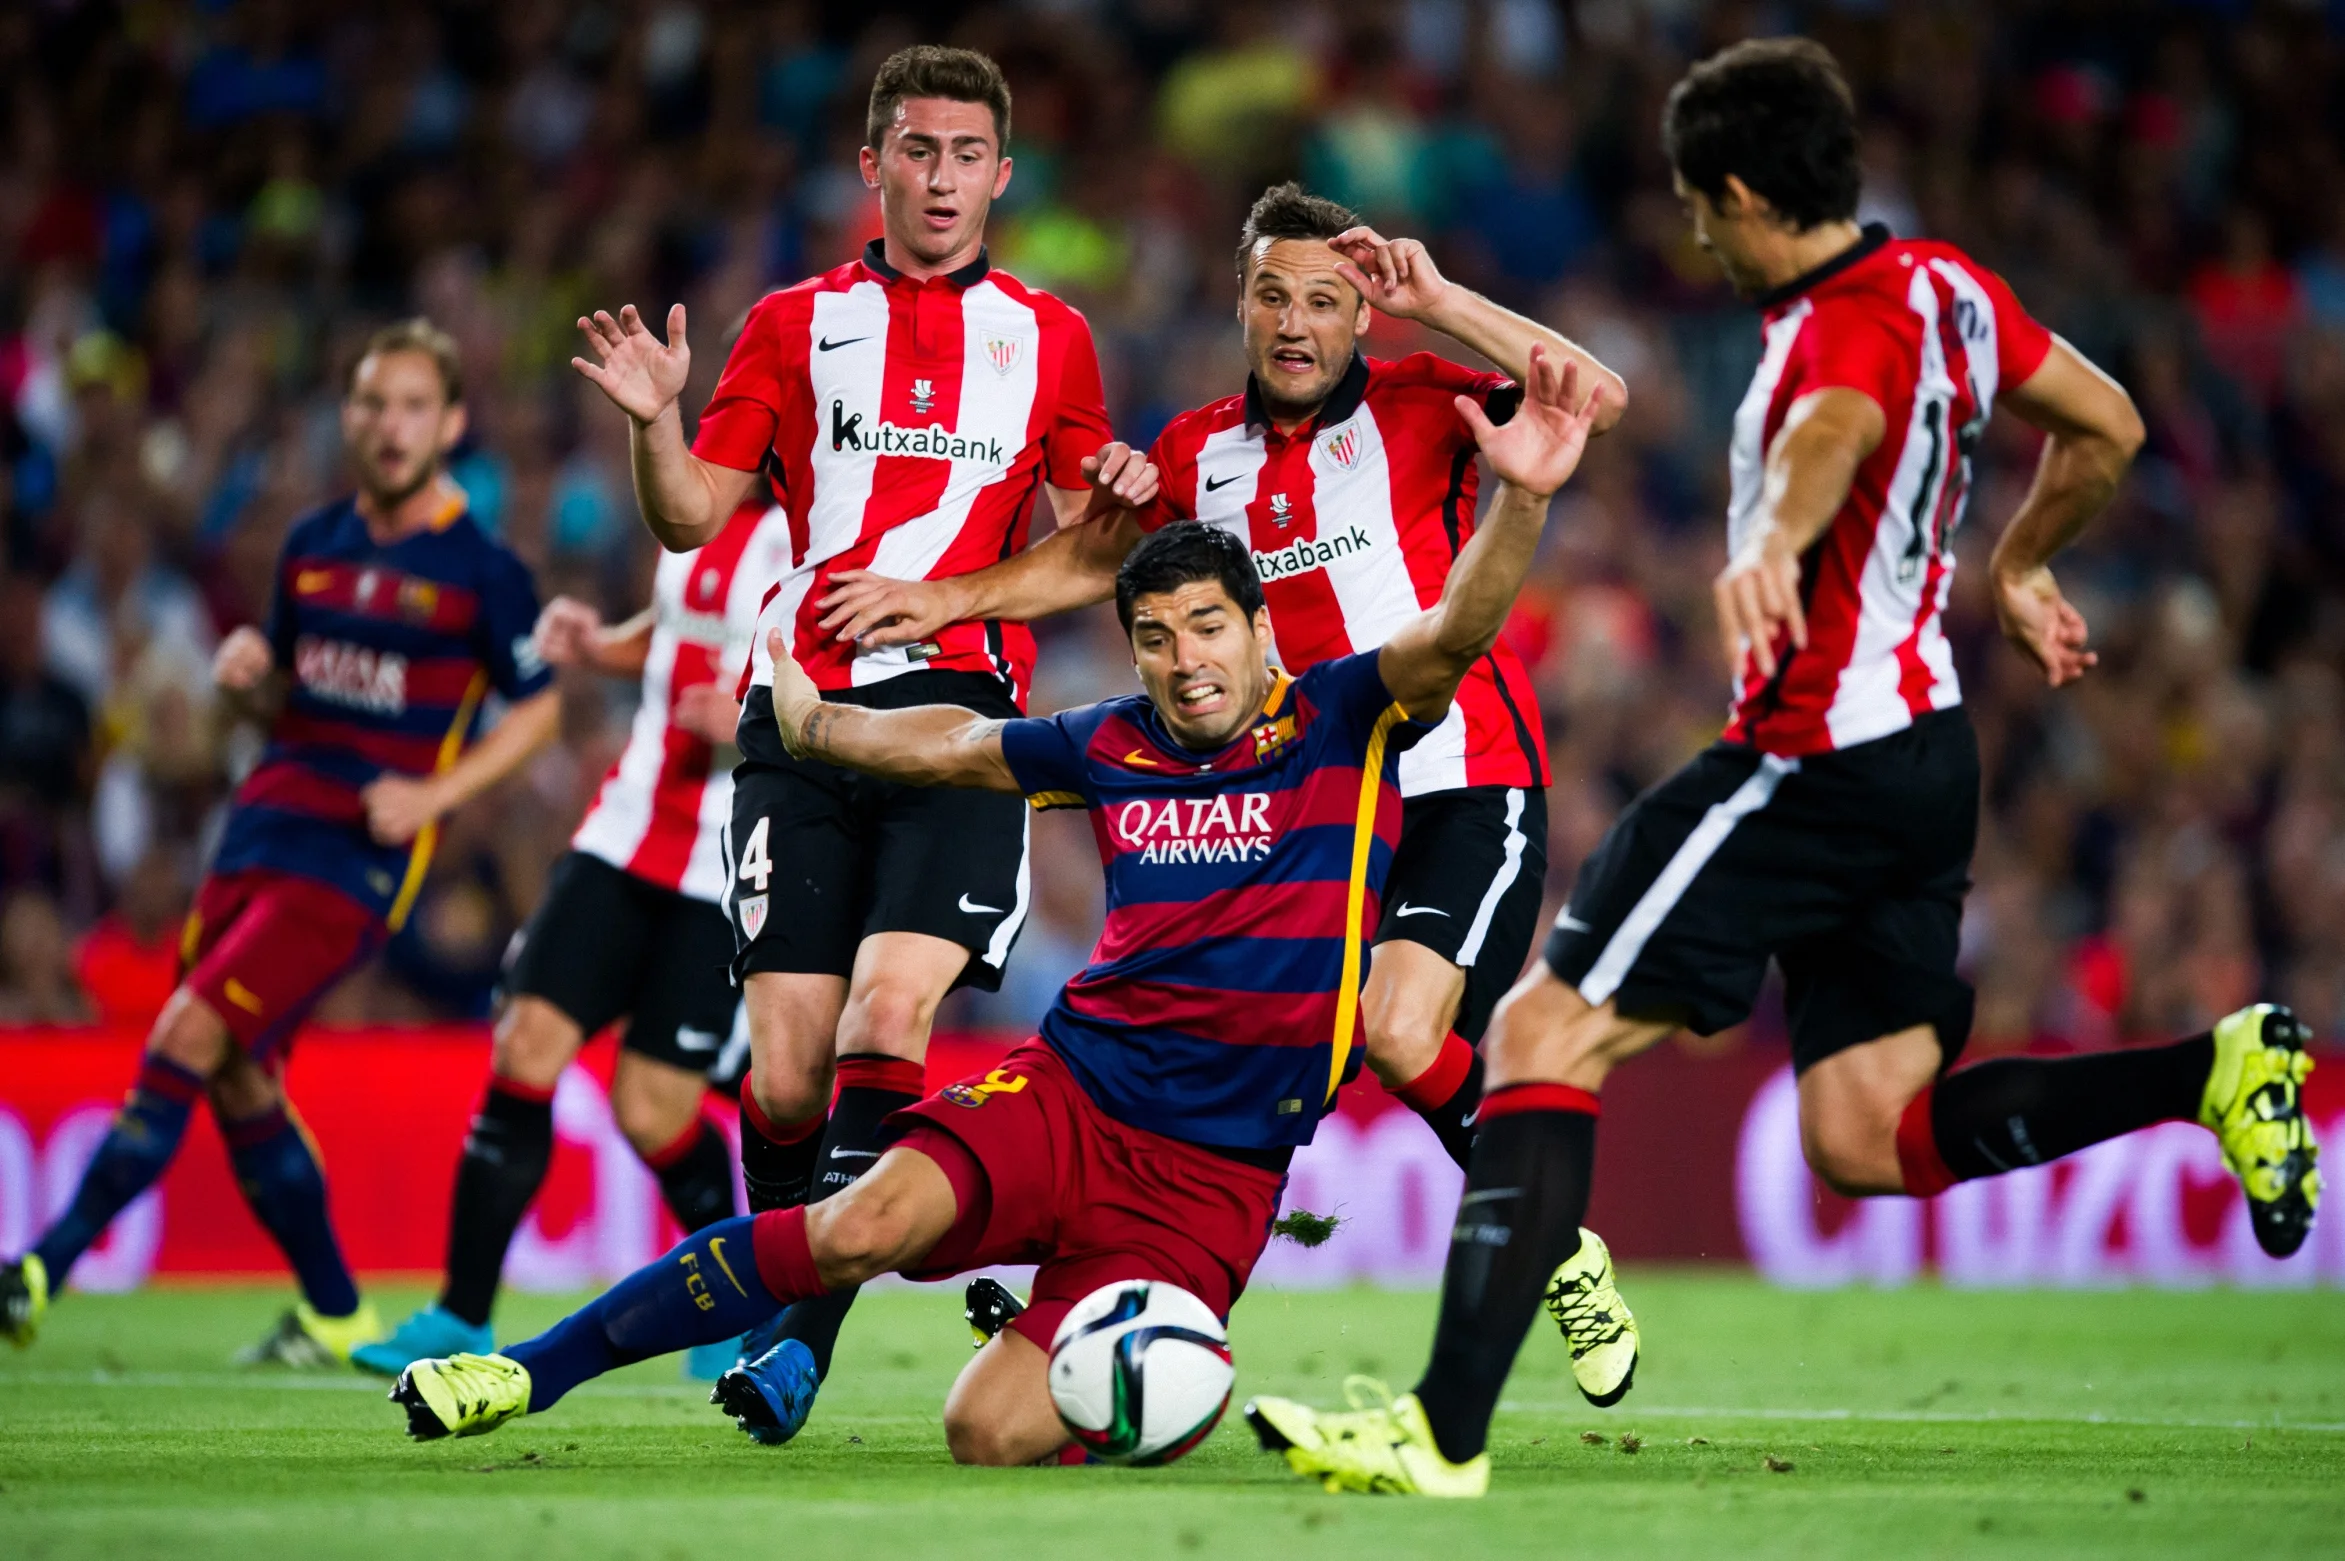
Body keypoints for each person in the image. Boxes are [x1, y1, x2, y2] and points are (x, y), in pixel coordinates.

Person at [1245, 38, 2322, 1500]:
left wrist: (1772, 542)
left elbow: (1836, 426)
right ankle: (2218, 1068)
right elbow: (2107, 427)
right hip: (1926, 758)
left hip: (1808, 758)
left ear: (1746, 194)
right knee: (1866, 1133)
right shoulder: (1950, 286)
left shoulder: (1831, 334)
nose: (1693, 229)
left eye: (1699, 204)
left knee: (1539, 1037)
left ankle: (1442, 1428)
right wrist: (2017, 564)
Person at [384, 346, 1608, 1462]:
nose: (1185, 661)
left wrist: (1525, 497)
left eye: (1206, 630)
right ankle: (521, 1372)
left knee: (984, 1430)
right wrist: (820, 724)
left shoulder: (1342, 716)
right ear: (1128, 648)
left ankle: (1104, 1338)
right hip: (1072, 1094)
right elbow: (958, 744)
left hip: (1211, 1185)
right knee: (855, 1225)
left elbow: (1455, 629)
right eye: (1154, 636)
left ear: (1258, 635)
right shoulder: (1116, 740)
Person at [818, 180, 1644, 1406]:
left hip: (1460, 778)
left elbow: (1599, 396)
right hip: (1312, 810)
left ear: (1362, 317)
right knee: (1222, 1043)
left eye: (1327, 298)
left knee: (1400, 1029)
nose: (1297, 321)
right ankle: (1093, 1256)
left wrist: (1437, 301)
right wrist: (947, 600)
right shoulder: (1195, 451)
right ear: (1240, 305)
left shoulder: (1427, 401)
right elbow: (1095, 558)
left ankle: (1560, 1249)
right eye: (1273, 294)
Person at [566, 44, 1145, 1428]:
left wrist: (948, 591)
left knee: (890, 1018)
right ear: (871, 165)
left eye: (965, 155)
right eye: (916, 150)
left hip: (960, 727)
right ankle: (787, 1291)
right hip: (802, 722)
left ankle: (799, 1347)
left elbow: (1087, 560)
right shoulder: (791, 322)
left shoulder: (1050, 337)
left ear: (1000, 176)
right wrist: (656, 423)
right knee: (781, 1070)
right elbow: (695, 514)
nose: (939, 178)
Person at [1, 320, 562, 1365]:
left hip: (356, 861)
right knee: (235, 1071)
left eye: (409, 406)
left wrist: (436, 792)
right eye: (370, 403)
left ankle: (41, 1264)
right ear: (348, 418)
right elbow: (287, 706)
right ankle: (333, 1309)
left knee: (185, 1031)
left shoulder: (481, 571)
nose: (388, 427)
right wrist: (253, 678)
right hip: (260, 826)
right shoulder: (311, 547)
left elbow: (538, 709)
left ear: (449, 422)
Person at [353, 492, 793, 1376]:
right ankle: (459, 1313)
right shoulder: (698, 514)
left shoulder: (815, 529)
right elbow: (677, 631)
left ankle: (735, 1307)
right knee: (524, 1045)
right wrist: (603, 645)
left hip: (724, 861)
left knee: (652, 1107)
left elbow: (847, 670)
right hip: (621, 834)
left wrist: (759, 707)